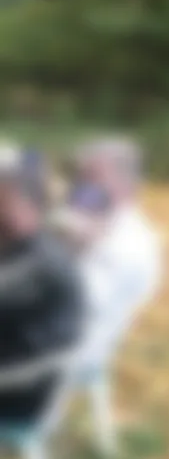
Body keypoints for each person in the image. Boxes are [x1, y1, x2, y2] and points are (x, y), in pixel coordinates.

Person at [63, 139, 163, 376]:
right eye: (81, 176)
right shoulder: (93, 222)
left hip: (70, 352)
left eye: (93, 176)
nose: (83, 186)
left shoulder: (131, 242)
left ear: (125, 184)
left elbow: (79, 304)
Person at [0, 154, 84, 433]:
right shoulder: (27, 245)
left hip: (22, 391)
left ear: (30, 205)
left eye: (3, 200)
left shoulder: (41, 264)